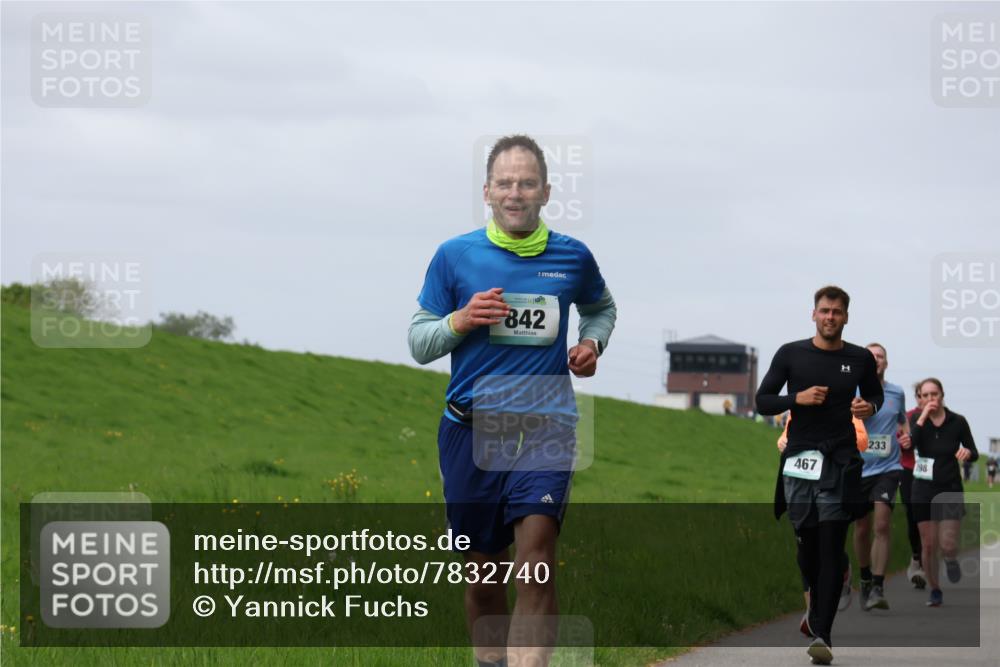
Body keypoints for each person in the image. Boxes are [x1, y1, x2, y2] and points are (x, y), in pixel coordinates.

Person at [408, 134, 617, 667]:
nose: (515, 192)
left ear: (546, 191)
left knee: (536, 563)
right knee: (484, 579)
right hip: (471, 430)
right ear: (487, 191)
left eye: (526, 183)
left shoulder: (572, 257)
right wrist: (460, 320)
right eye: (505, 182)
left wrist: (591, 343)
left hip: (546, 426)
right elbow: (419, 343)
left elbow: (601, 308)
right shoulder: (455, 256)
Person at [757, 285, 883, 666]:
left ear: (846, 317)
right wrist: (797, 398)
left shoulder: (860, 359)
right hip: (799, 460)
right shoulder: (791, 354)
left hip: (841, 461)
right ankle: (823, 591)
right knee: (806, 549)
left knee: (830, 544)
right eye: (824, 311)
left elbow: (874, 398)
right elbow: (763, 401)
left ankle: (823, 635)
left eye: (837, 312)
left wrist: (866, 406)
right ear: (813, 314)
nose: (830, 317)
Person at [778, 416, 867, 630]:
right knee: (807, 553)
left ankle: (816, 619)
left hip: (831, 478)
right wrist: (782, 442)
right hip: (801, 480)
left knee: (827, 547)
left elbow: (863, 440)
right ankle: (816, 605)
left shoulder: (843, 406)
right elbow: (787, 434)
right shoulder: (800, 406)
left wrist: (832, 443)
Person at [909, 377, 978, 607]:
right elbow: (911, 443)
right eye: (925, 395)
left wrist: (967, 453)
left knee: (947, 544)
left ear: (942, 395)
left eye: (934, 394)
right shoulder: (916, 421)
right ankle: (935, 589)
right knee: (928, 545)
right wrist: (922, 416)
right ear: (920, 398)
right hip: (922, 488)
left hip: (949, 487)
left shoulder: (957, 421)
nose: (930, 399)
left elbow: (973, 450)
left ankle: (950, 559)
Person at [853, 343, 910, 612]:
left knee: (882, 526)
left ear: (886, 363)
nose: (876, 359)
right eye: (871, 356)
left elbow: (901, 421)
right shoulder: (852, 389)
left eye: (880, 356)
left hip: (888, 468)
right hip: (857, 468)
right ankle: (864, 578)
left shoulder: (896, 392)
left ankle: (878, 585)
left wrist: (907, 436)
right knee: (862, 528)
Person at [902, 384, 927, 589]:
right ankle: (916, 557)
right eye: (921, 396)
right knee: (912, 516)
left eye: (929, 395)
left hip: (935, 475)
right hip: (910, 471)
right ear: (916, 397)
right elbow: (898, 438)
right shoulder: (908, 416)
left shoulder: (944, 419)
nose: (924, 400)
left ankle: (926, 564)